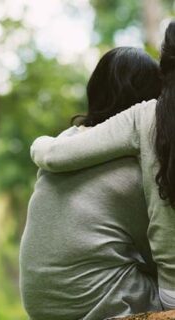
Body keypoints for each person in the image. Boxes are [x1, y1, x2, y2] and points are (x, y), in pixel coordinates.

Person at [31, 21, 175, 310]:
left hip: (40, 302)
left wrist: (38, 143)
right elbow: (157, 250)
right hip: (98, 302)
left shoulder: (68, 139)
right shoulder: (133, 164)